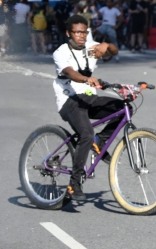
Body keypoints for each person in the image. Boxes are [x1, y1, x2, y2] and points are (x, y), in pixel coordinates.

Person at [52, 14, 121, 201]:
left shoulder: (90, 50)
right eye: (77, 32)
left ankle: (100, 141)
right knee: (86, 134)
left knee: (121, 108)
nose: (82, 36)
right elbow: (70, 73)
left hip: (88, 98)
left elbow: (114, 51)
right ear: (68, 33)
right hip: (69, 100)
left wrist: (107, 45)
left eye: (85, 32)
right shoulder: (61, 52)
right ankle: (74, 184)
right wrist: (86, 79)